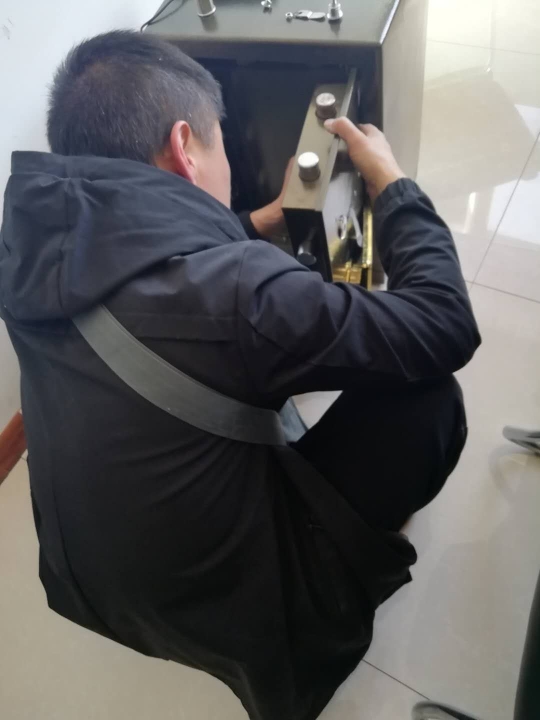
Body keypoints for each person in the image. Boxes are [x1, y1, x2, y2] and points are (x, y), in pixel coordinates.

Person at [0, 30, 480, 720]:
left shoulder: (30, 245)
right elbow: (444, 324)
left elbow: (149, 266)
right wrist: (395, 187)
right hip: (236, 601)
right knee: (428, 398)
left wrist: (255, 224)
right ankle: (317, 601)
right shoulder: (240, 294)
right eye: (220, 141)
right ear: (185, 146)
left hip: (88, 581)